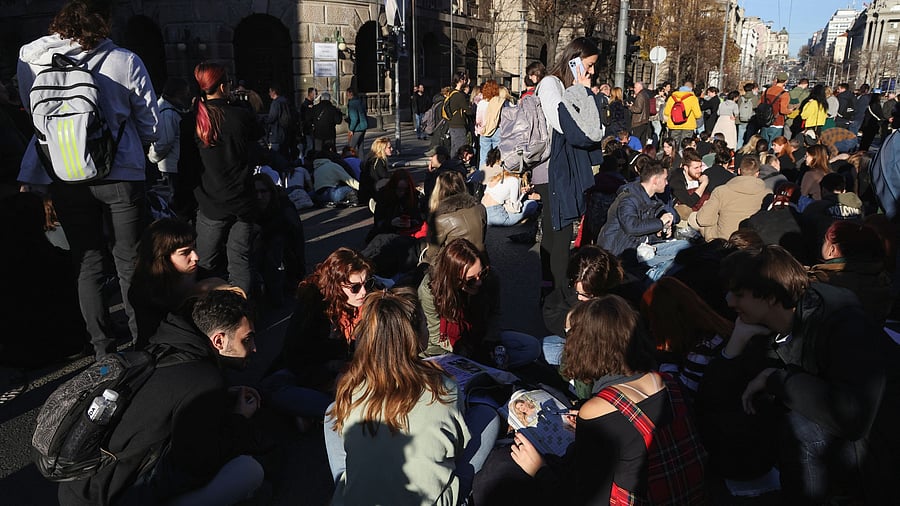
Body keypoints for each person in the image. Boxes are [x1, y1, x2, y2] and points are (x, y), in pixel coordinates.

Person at [16, 0, 159, 359]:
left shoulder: (33, 59)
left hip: (65, 174)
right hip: (121, 173)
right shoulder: (125, 60)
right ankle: (144, 342)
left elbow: (31, 111)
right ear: (105, 22)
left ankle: (102, 349)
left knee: (89, 262)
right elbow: (151, 123)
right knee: (129, 261)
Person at [718, 245, 899, 504]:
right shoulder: (769, 326)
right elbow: (723, 399)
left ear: (769, 298)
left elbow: (851, 415)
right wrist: (733, 347)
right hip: (853, 438)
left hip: (881, 445)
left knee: (800, 429)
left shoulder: (845, 325)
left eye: (738, 295)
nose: (730, 302)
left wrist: (775, 379)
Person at [58, 289, 269, 506]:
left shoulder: (162, 348)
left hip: (80, 486)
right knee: (248, 472)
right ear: (218, 340)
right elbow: (199, 462)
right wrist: (240, 418)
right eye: (247, 340)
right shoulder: (206, 379)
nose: (254, 348)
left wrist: (218, 399)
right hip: (109, 499)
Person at [510, 295, 707, 504]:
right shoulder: (669, 382)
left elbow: (587, 497)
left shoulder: (597, 410)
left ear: (584, 345)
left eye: (570, 334)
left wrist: (539, 470)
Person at [324, 288, 471, 506]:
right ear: (416, 334)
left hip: (359, 499)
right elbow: (458, 449)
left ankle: (355, 484)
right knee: (488, 417)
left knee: (331, 412)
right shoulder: (444, 388)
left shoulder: (351, 387)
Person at [535, 36, 604, 293]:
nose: (592, 71)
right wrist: (581, 91)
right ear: (574, 61)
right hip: (551, 167)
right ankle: (560, 293)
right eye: (590, 64)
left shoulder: (567, 85)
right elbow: (566, 125)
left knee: (555, 230)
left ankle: (547, 286)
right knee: (562, 234)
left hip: (563, 166)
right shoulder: (552, 84)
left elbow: (593, 126)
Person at [192, 62, 264, 295]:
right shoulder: (240, 116)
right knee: (240, 261)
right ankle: (243, 313)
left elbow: (186, 168)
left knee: (204, 264)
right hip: (242, 201)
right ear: (223, 86)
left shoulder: (193, 120)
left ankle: (209, 316)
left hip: (211, 202)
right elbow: (257, 147)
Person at [419, 238, 540, 368]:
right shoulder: (430, 291)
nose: (479, 282)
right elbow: (435, 337)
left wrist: (491, 342)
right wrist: (467, 354)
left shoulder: (491, 278)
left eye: (482, 273)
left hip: (480, 336)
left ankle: (488, 366)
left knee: (532, 347)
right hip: (447, 346)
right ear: (453, 278)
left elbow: (494, 314)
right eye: (470, 280)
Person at [597, 161, 687, 282]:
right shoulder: (629, 199)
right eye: (665, 179)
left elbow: (646, 230)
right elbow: (631, 227)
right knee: (676, 264)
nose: (667, 183)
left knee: (685, 247)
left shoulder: (649, 198)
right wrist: (660, 223)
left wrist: (659, 233)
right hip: (622, 254)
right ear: (655, 180)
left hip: (642, 248)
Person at [251, 174, 306, 306]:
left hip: (285, 251)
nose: (259, 196)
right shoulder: (250, 207)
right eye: (255, 192)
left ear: (271, 191)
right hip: (262, 247)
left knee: (276, 243)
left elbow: (297, 238)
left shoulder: (284, 207)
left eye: (263, 191)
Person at [689, 155, 770, 241]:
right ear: (757, 173)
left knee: (693, 218)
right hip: (753, 240)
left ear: (739, 171)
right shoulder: (767, 193)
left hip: (723, 239)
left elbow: (702, 220)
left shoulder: (721, 191)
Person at [422, 170, 486, 265]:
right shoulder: (480, 208)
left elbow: (432, 252)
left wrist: (423, 263)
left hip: (454, 264)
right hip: (479, 259)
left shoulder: (441, 218)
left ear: (438, 190)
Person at [149, 77, 189, 197]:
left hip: (172, 165)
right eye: (186, 92)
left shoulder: (166, 109)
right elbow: (165, 142)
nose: (188, 95)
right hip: (171, 167)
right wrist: (152, 157)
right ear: (178, 93)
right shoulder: (167, 113)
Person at [480, 148, 539, 226]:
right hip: (497, 217)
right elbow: (515, 208)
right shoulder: (514, 180)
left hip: (482, 212)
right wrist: (522, 194)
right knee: (532, 204)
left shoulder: (497, 176)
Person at [358, 136, 392, 212]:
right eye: (389, 148)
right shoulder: (378, 161)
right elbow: (384, 176)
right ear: (382, 149)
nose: (391, 149)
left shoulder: (369, 158)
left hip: (365, 191)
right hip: (373, 191)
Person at [263, 83, 292, 159]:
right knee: (285, 154)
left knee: (275, 155)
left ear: (274, 92)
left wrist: (264, 120)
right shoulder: (285, 101)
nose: (269, 94)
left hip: (277, 132)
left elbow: (272, 118)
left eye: (270, 91)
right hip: (285, 131)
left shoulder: (275, 103)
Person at [760, 73, 791, 143]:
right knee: (774, 146)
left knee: (763, 144)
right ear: (786, 81)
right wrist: (790, 110)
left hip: (765, 121)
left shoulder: (766, 91)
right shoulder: (784, 94)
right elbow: (783, 110)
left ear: (776, 80)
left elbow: (760, 104)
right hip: (777, 122)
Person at [445, 72, 471, 155]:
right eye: (465, 79)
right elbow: (469, 111)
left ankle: (453, 165)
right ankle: (456, 165)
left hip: (452, 123)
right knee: (460, 148)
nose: (466, 81)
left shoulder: (452, 93)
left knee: (454, 147)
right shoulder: (459, 96)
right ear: (460, 80)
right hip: (459, 124)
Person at [299, 87, 317, 155]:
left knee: (311, 145)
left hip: (310, 128)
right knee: (310, 145)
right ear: (310, 94)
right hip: (308, 128)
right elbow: (304, 117)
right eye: (314, 94)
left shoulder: (311, 104)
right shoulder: (305, 105)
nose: (316, 96)